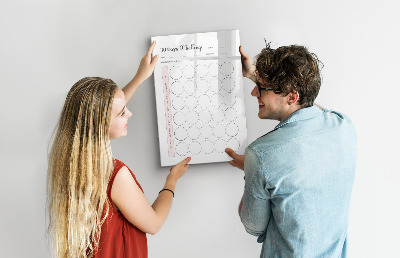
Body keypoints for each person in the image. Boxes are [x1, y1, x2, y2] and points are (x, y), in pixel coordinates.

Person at [47, 42, 191, 258]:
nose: (130, 114)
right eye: (122, 113)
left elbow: (104, 111)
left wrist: (140, 76)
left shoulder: (69, 162)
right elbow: (153, 223)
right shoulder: (114, 175)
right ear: (101, 124)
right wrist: (172, 180)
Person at [225, 44, 357, 257]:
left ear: (292, 97)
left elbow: (253, 226)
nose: (253, 92)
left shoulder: (260, 155)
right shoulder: (343, 126)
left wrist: (252, 169)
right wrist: (254, 75)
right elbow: (311, 106)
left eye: (261, 88)